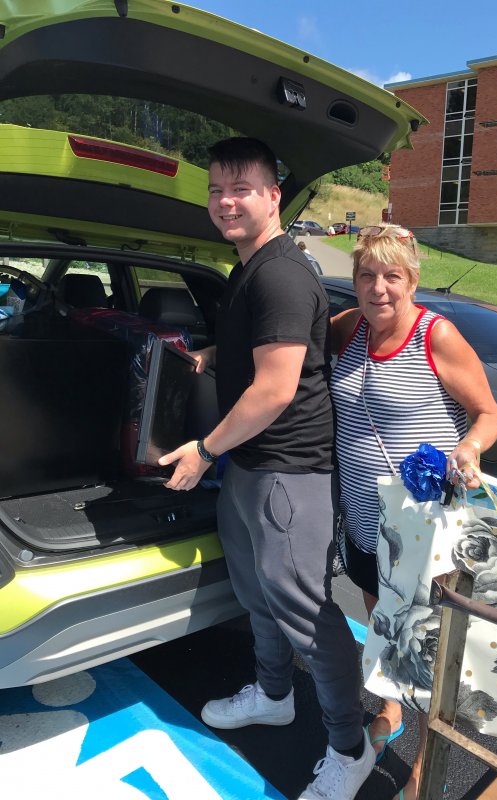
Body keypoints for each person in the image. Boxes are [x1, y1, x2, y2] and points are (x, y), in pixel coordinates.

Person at [158, 137, 375, 800]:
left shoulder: (280, 272)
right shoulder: (247, 270)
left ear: (273, 196)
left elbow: (277, 388)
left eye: (241, 188)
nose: (226, 201)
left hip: (289, 473)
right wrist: (207, 357)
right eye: (216, 190)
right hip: (252, 468)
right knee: (258, 597)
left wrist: (205, 449)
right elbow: (259, 355)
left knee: (309, 614)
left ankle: (350, 745)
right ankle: (274, 695)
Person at [329, 224, 497, 800]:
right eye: (366, 275)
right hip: (362, 520)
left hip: (423, 528)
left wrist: (470, 447)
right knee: (383, 626)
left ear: (413, 280)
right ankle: (389, 710)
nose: (378, 289)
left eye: (392, 276)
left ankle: (429, 764)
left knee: (427, 648)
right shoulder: (350, 328)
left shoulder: (437, 335)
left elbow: (488, 414)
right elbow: (283, 343)